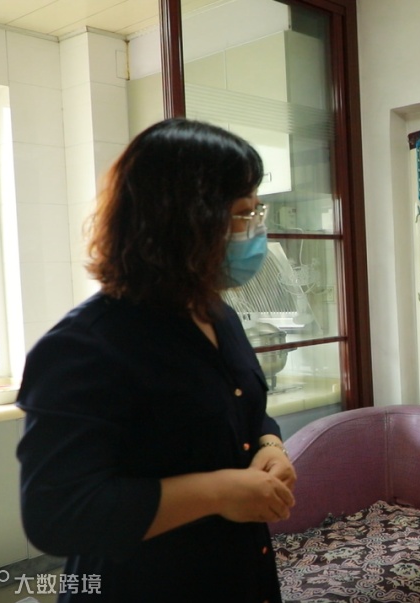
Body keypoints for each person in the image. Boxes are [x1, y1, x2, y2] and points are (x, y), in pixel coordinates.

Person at [16, 118, 296, 602]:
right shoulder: (85, 347)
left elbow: (244, 411)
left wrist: (270, 445)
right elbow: (56, 515)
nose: (255, 231)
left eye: (257, 212)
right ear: (184, 224)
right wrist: (219, 491)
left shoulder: (218, 315)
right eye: (241, 215)